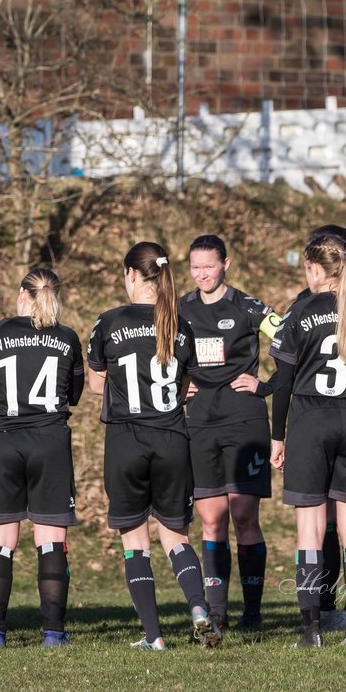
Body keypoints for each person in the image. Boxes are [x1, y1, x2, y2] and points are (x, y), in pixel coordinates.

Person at [87, 241, 220, 651]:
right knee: (175, 535)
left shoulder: (108, 322)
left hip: (127, 439)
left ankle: (154, 636)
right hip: (172, 439)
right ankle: (199, 608)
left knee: (134, 540)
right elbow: (188, 387)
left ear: (130, 274)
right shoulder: (180, 324)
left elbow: (94, 385)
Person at [269, 232, 346, 648]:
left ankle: (311, 629)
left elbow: (283, 382)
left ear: (316, 270)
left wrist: (276, 436)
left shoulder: (301, 313)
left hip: (310, 422)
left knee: (310, 527)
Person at [178, 234, 282, 631]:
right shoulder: (180, 308)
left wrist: (267, 385)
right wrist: (177, 383)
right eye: (195, 267)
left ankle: (252, 615)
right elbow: (157, 354)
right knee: (211, 520)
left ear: (226, 264)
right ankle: (216, 615)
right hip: (199, 421)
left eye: (209, 265)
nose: (202, 273)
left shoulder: (249, 306)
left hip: (244, 419)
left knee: (243, 515)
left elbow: (293, 338)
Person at [0, 269, 84, 648]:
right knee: (51, 541)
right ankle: (53, 632)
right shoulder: (67, 337)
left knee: (0, 542)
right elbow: (74, 394)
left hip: (5, 441)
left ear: (23, 295)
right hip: (50, 443)